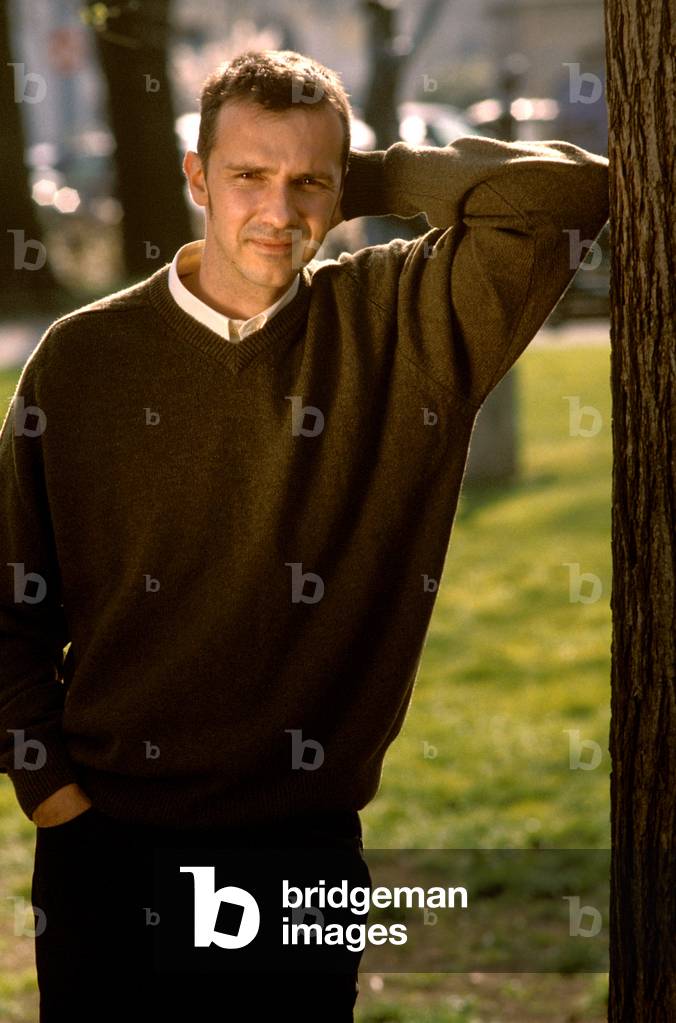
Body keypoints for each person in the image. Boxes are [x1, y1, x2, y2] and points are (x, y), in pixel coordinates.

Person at [0, 48, 609, 1022]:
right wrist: (52, 794)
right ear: (196, 175)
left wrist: (360, 172)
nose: (278, 211)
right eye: (247, 174)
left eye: (307, 183)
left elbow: (565, 197)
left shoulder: (404, 323)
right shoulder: (82, 360)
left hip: (299, 849)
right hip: (106, 841)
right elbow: (5, 607)